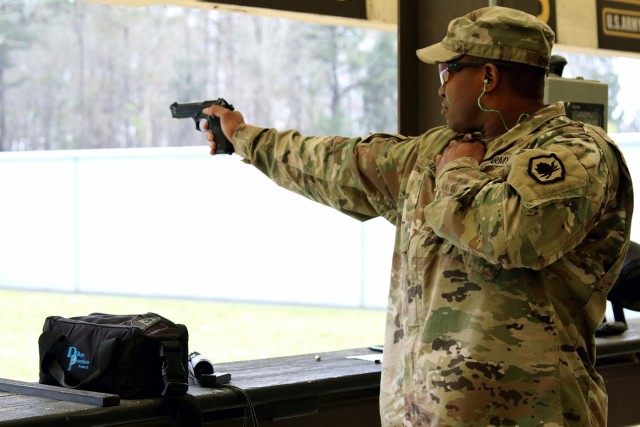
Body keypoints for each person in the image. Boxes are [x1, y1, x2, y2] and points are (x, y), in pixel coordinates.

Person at [202, 6, 633, 427]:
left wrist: (458, 173)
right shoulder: (434, 152)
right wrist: (242, 136)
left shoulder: (575, 152)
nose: (440, 89)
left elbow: (515, 236)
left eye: (447, 72)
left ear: (488, 76)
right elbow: (333, 163)